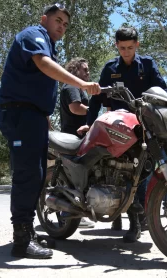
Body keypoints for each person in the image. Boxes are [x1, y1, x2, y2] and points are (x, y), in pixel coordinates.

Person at [0, 3, 100, 259]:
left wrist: (43, 117)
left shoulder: (48, 44)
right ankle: (20, 240)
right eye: (58, 20)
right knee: (27, 174)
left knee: (38, 174)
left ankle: (28, 231)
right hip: (20, 113)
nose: (61, 26)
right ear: (45, 19)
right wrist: (82, 83)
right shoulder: (34, 34)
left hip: (33, 116)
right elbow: (44, 65)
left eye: (65, 24)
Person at [79, 26, 167, 243]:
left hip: (145, 127)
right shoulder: (110, 68)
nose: (126, 52)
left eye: (130, 47)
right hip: (119, 129)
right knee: (124, 173)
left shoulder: (147, 65)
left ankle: (139, 215)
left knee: (143, 172)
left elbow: (162, 91)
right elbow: (96, 99)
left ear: (137, 45)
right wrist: (89, 124)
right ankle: (132, 222)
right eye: (122, 48)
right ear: (116, 46)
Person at [59, 57, 95, 228]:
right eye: (85, 70)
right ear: (75, 70)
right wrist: (95, 112)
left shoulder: (77, 88)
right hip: (73, 138)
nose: (88, 73)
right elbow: (75, 108)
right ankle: (68, 212)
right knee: (77, 176)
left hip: (79, 136)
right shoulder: (72, 86)